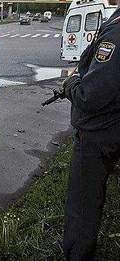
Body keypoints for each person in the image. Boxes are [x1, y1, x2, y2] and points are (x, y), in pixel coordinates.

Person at [61, 1, 120, 260]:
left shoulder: (116, 32)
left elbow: (90, 96)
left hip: (99, 133)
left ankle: (77, 254)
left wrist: (71, 81)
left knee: (83, 205)